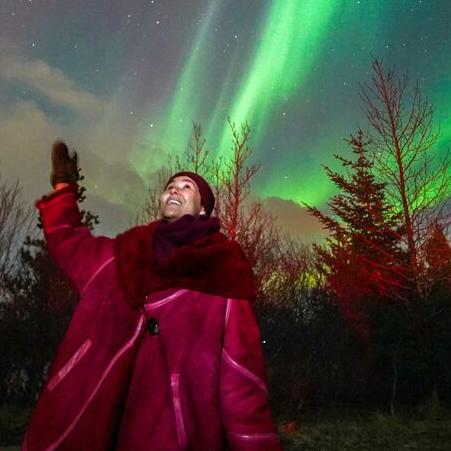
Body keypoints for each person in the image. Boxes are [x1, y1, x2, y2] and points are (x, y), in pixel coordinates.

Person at [22, 142, 282, 451]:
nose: (174, 190)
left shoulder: (223, 278)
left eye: (186, 187)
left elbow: (242, 382)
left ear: (202, 209)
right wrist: (64, 188)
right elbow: (69, 241)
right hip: (88, 427)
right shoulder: (119, 257)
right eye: (170, 186)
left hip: (170, 438)